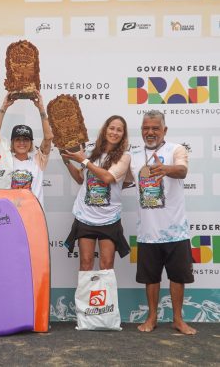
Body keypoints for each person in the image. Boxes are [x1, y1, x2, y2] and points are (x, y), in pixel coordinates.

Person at [128, 110, 196, 335]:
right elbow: (119, 178)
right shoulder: (134, 155)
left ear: (164, 130)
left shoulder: (176, 149)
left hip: (176, 231)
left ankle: (178, 319)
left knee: (178, 277)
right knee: (151, 278)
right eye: (146, 128)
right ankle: (152, 317)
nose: (150, 132)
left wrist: (165, 169)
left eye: (155, 128)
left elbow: (182, 170)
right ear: (141, 130)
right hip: (148, 231)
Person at [63, 115, 131, 271]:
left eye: (119, 130)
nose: (114, 132)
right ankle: (84, 296)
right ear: (105, 130)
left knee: (106, 265)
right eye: (112, 128)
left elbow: (107, 177)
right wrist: (66, 160)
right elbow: (80, 179)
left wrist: (84, 161)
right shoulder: (91, 152)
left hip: (109, 219)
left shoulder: (125, 156)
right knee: (86, 263)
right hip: (85, 216)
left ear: (123, 134)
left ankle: (105, 296)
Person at [0, 91, 53, 206]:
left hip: (34, 214)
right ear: (12, 142)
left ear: (31, 143)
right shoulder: (6, 159)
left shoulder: (38, 161)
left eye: (26, 139)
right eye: (18, 139)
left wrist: (41, 109)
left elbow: (48, 137)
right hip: (11, 214)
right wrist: (4, 107)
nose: (22, 143)